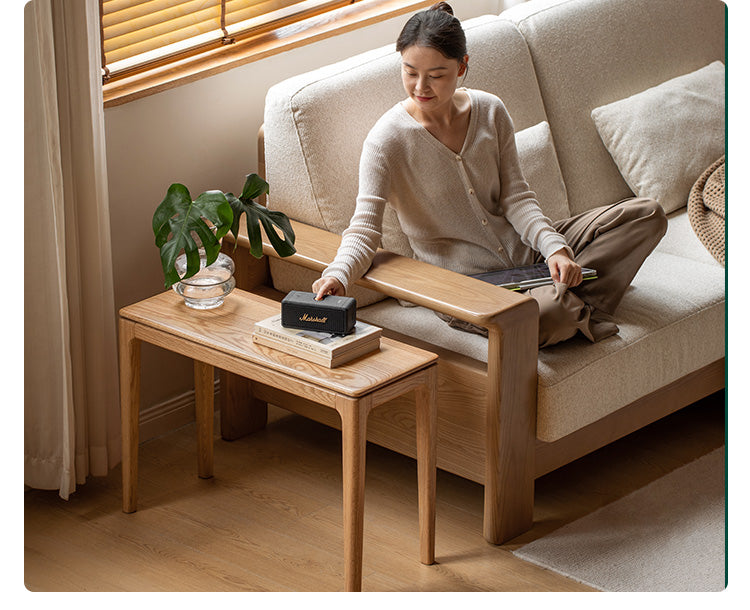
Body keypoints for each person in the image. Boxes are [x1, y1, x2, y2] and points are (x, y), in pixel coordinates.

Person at [312, 2, 667, 348]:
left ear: (462, 66)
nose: (421, 87)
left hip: (529, 258)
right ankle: (571, 303)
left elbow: (517, 198)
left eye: (436, 76)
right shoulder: (386, 141)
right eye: (410, 72)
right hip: (470, 286)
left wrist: (555, 248)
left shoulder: (490, 111)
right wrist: (338, 275)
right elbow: (364, 228)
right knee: (548, 313)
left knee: (646, 214)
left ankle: (563, 293)